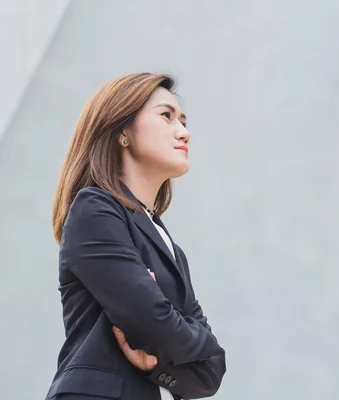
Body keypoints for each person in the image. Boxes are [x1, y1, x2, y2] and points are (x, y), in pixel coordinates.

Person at [46, 73, 226, 400]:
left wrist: (155, 364)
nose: (184, 132)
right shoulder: (95, 209)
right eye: (166, 116)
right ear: (123, 131)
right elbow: (152, 322)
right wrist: (185, 335)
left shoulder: (166, 241)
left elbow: (211, 372)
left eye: (183, 120)